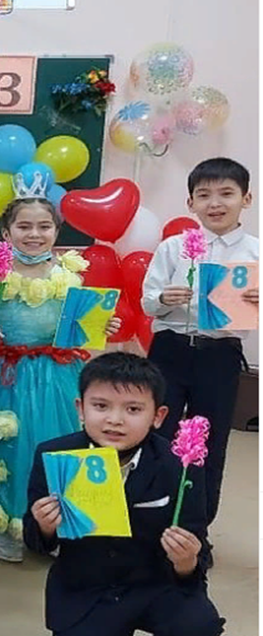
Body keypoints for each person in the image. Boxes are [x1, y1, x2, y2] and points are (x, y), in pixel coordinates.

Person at [0, 179, 121, 562]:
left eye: (44, 226)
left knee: (58, 446)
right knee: (4, 448)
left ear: (57, 231)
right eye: (24, 226)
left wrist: (101, 324)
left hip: (56, 374)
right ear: (6, 233)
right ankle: (2, 519)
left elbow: (78, 326)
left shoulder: (69, 270)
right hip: (4, 374)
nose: (34, 234)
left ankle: (54, 523)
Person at [24, 353, 224, 636]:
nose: (114, 420)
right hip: (86, 589)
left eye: (133, 409)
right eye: (100, 406)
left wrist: (185, 561)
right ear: (80, 408)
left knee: (199, 626)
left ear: (158, 416)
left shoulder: (180, 465)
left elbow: (196, 552)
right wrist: (44, 526)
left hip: (156, 584)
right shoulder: (55, 456)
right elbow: (34, 542)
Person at [142, 157, 259, 540]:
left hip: (220, 354)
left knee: (210, 440)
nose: (215, 203)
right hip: (170, 349)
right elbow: (148, 301)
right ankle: (151, 519)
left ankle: (196, 528)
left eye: (227, 193)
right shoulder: (174, 248)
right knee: (158, 432)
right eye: (204, 195)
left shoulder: (255, 252)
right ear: (190, 203)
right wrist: (164, 298)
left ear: (246, 199)